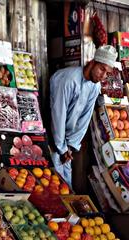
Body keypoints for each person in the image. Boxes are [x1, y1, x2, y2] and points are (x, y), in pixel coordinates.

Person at [49, 45, 117, 187]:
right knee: (53, 186)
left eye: (107, 73)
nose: (103, 76)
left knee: (65, 188)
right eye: (101, 69)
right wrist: (61, 148)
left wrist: (71, 146)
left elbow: (84, 119)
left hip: (66, 146)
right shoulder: (68, 80)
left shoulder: (95, 86)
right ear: (92, 62)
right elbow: (58, 115)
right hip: (52, 140)